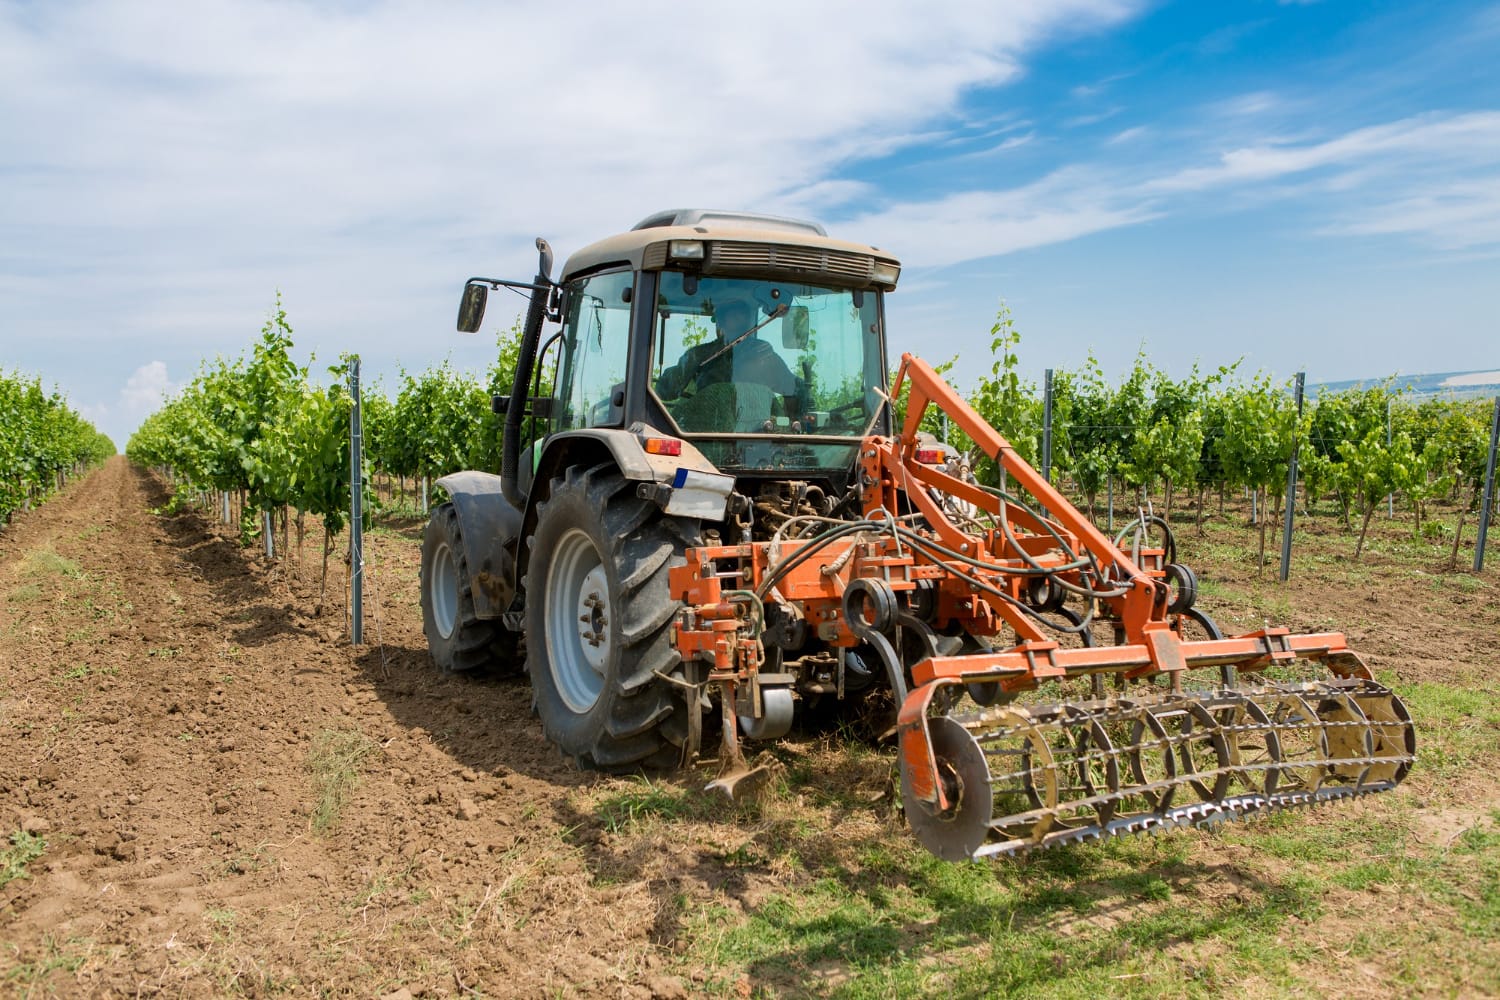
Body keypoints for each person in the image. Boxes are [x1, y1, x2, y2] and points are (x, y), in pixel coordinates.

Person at [654, 294, 799, 404]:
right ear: (720, 322)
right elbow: (666, 391)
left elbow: (793, 389)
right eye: (734, 315)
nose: (740, 319)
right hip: (707, 429)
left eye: (743, 315)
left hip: (759, 432)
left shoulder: (763, 355)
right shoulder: (700, 355)